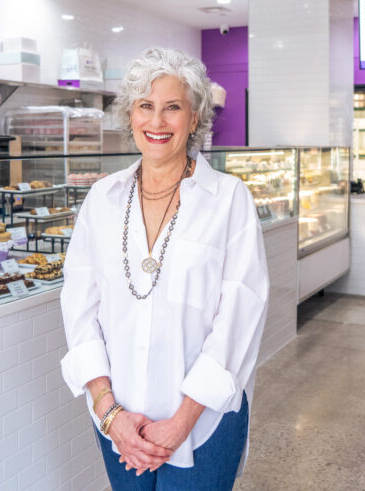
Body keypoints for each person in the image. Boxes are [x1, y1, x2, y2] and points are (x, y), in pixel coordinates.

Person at [60, 47, 269, 490]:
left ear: (194, 118)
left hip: (204, 422)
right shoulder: (101, 200)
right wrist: (109, 413)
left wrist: (180, 423)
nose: (157, 122)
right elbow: (80, 312)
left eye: (172, 108)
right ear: (130, 115)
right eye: (146, 107)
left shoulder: (229, 199)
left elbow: (240, 317)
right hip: (120, 424)